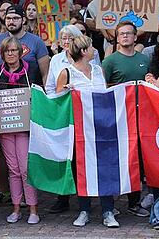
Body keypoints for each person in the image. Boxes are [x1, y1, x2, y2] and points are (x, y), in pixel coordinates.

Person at [54, 35, 117, 228]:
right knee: (81, 168)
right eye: (91, 47)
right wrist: (66, 91)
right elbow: (58, 102)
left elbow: (105, 95)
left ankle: (108, 210)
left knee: (105, 167)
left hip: (101, 127)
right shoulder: (67, 72)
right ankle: (84, 209)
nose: (94, 50)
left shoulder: (98, 70)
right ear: (83, 51)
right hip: (79, 131)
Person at [0, 37, 41, 225]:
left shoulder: (32, 69)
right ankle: (16, 208)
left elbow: (39, 93)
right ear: (2, 54)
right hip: (6, 128)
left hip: (26, 128)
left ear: (20, 52)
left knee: (26, 168)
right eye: (7, 51)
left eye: (14, 50)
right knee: (13, 169)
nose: (10, 54)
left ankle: (33, 209)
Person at [101, 21, 150, 217]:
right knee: (117, 158)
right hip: (119, 117)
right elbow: (102, 88)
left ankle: (134, 201)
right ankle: (110, 203)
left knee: (136, 159)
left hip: (142, 116)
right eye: (121, 34)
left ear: (135, 36)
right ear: (117, 37)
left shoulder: (144, 59)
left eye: (129, 34)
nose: (125, 37)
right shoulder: (110, 61)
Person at [0, 6, 50, 84]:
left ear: (23, 20)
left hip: (29, 89)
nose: (11, 22)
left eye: (15, 18)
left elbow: (45, 75)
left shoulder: (37, 41)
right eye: (8, 18)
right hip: (3, 91)